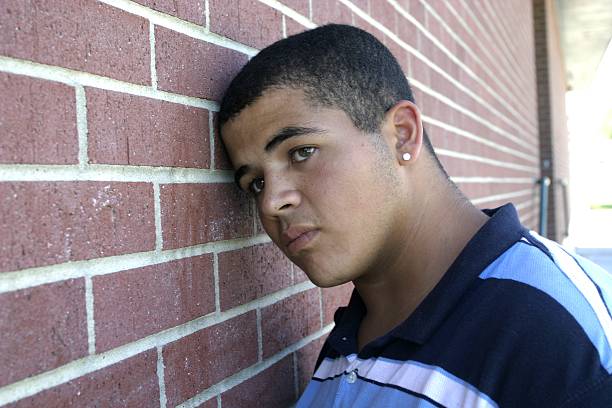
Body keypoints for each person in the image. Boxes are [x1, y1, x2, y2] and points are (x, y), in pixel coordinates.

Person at [217, 24, 612, 407]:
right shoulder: (345, 349)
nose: (270, 203)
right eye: (254, 183)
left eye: (301, 152)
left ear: (402, 134)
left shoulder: (564, 333)